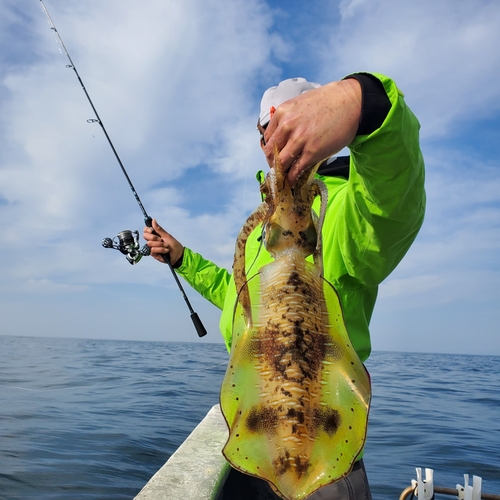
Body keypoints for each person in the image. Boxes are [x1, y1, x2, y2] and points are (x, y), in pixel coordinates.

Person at [143, 73, 426, 500]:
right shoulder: (266, 225)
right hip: (258, 428)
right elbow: (239, 300)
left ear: (320, 125)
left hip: (318, 440)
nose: (272, 141)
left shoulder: (348, 207)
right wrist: (182, 258)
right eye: (265, 131)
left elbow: (395, 198)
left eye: (288, 124)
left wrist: (363, 102)